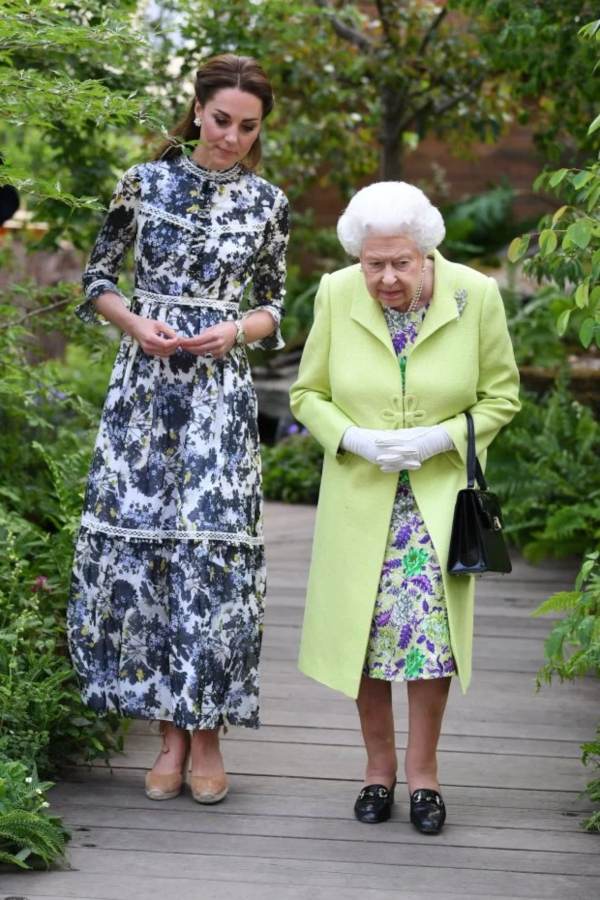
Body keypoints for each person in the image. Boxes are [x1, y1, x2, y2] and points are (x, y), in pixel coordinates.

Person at [68, 55, 289, 805]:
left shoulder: (268, 203)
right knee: (150, 556)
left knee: (214, 557)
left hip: (219, 396)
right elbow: (97, 278)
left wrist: (235, 331)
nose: (231, 136)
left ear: (260, 129)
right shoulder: (143, 183)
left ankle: (209, 734)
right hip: (145, 392)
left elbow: (277, 307)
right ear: (197, 111)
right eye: (221, 119)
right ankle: (166, 733)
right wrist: (135, 324)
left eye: (247, 126)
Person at [290, 181, 519, 833]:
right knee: (361, 639)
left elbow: (501, 397)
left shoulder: (476, 295)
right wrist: (353, 437)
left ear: (427, 253)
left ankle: (424, 778)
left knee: (430, 643)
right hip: (361, 499)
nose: (387, 278)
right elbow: (309, 394)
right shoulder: (336, 293)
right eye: (373, 264)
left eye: (401, 263)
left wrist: (439, 437)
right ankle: (376, 771)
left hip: (437, 501)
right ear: (357, 258)